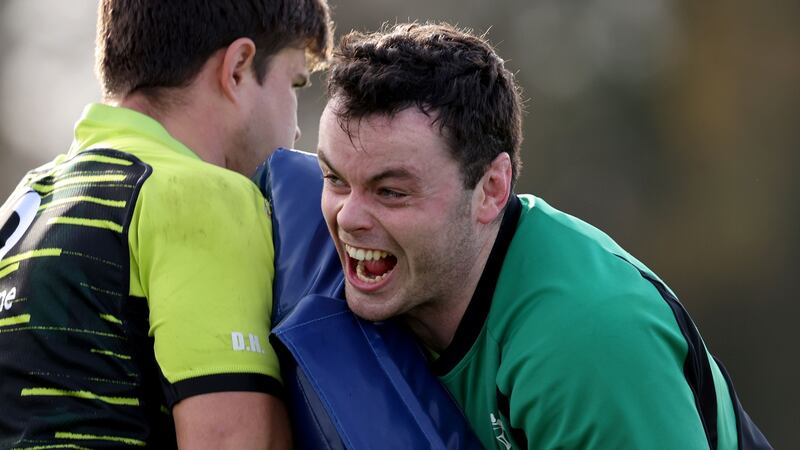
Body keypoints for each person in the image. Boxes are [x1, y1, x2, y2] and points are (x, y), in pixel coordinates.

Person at [315, 22, 772, 449]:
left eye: (391, 191)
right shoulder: (324, 259)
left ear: (492, 190)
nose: (347, 216)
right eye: (334, 179)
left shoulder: (586, 343)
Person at [0, 0, 332, 448]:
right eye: (294, 84)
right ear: (237, 68)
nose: (295, 131)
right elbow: (232, 442)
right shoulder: (201, 195)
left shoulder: (26, 199)